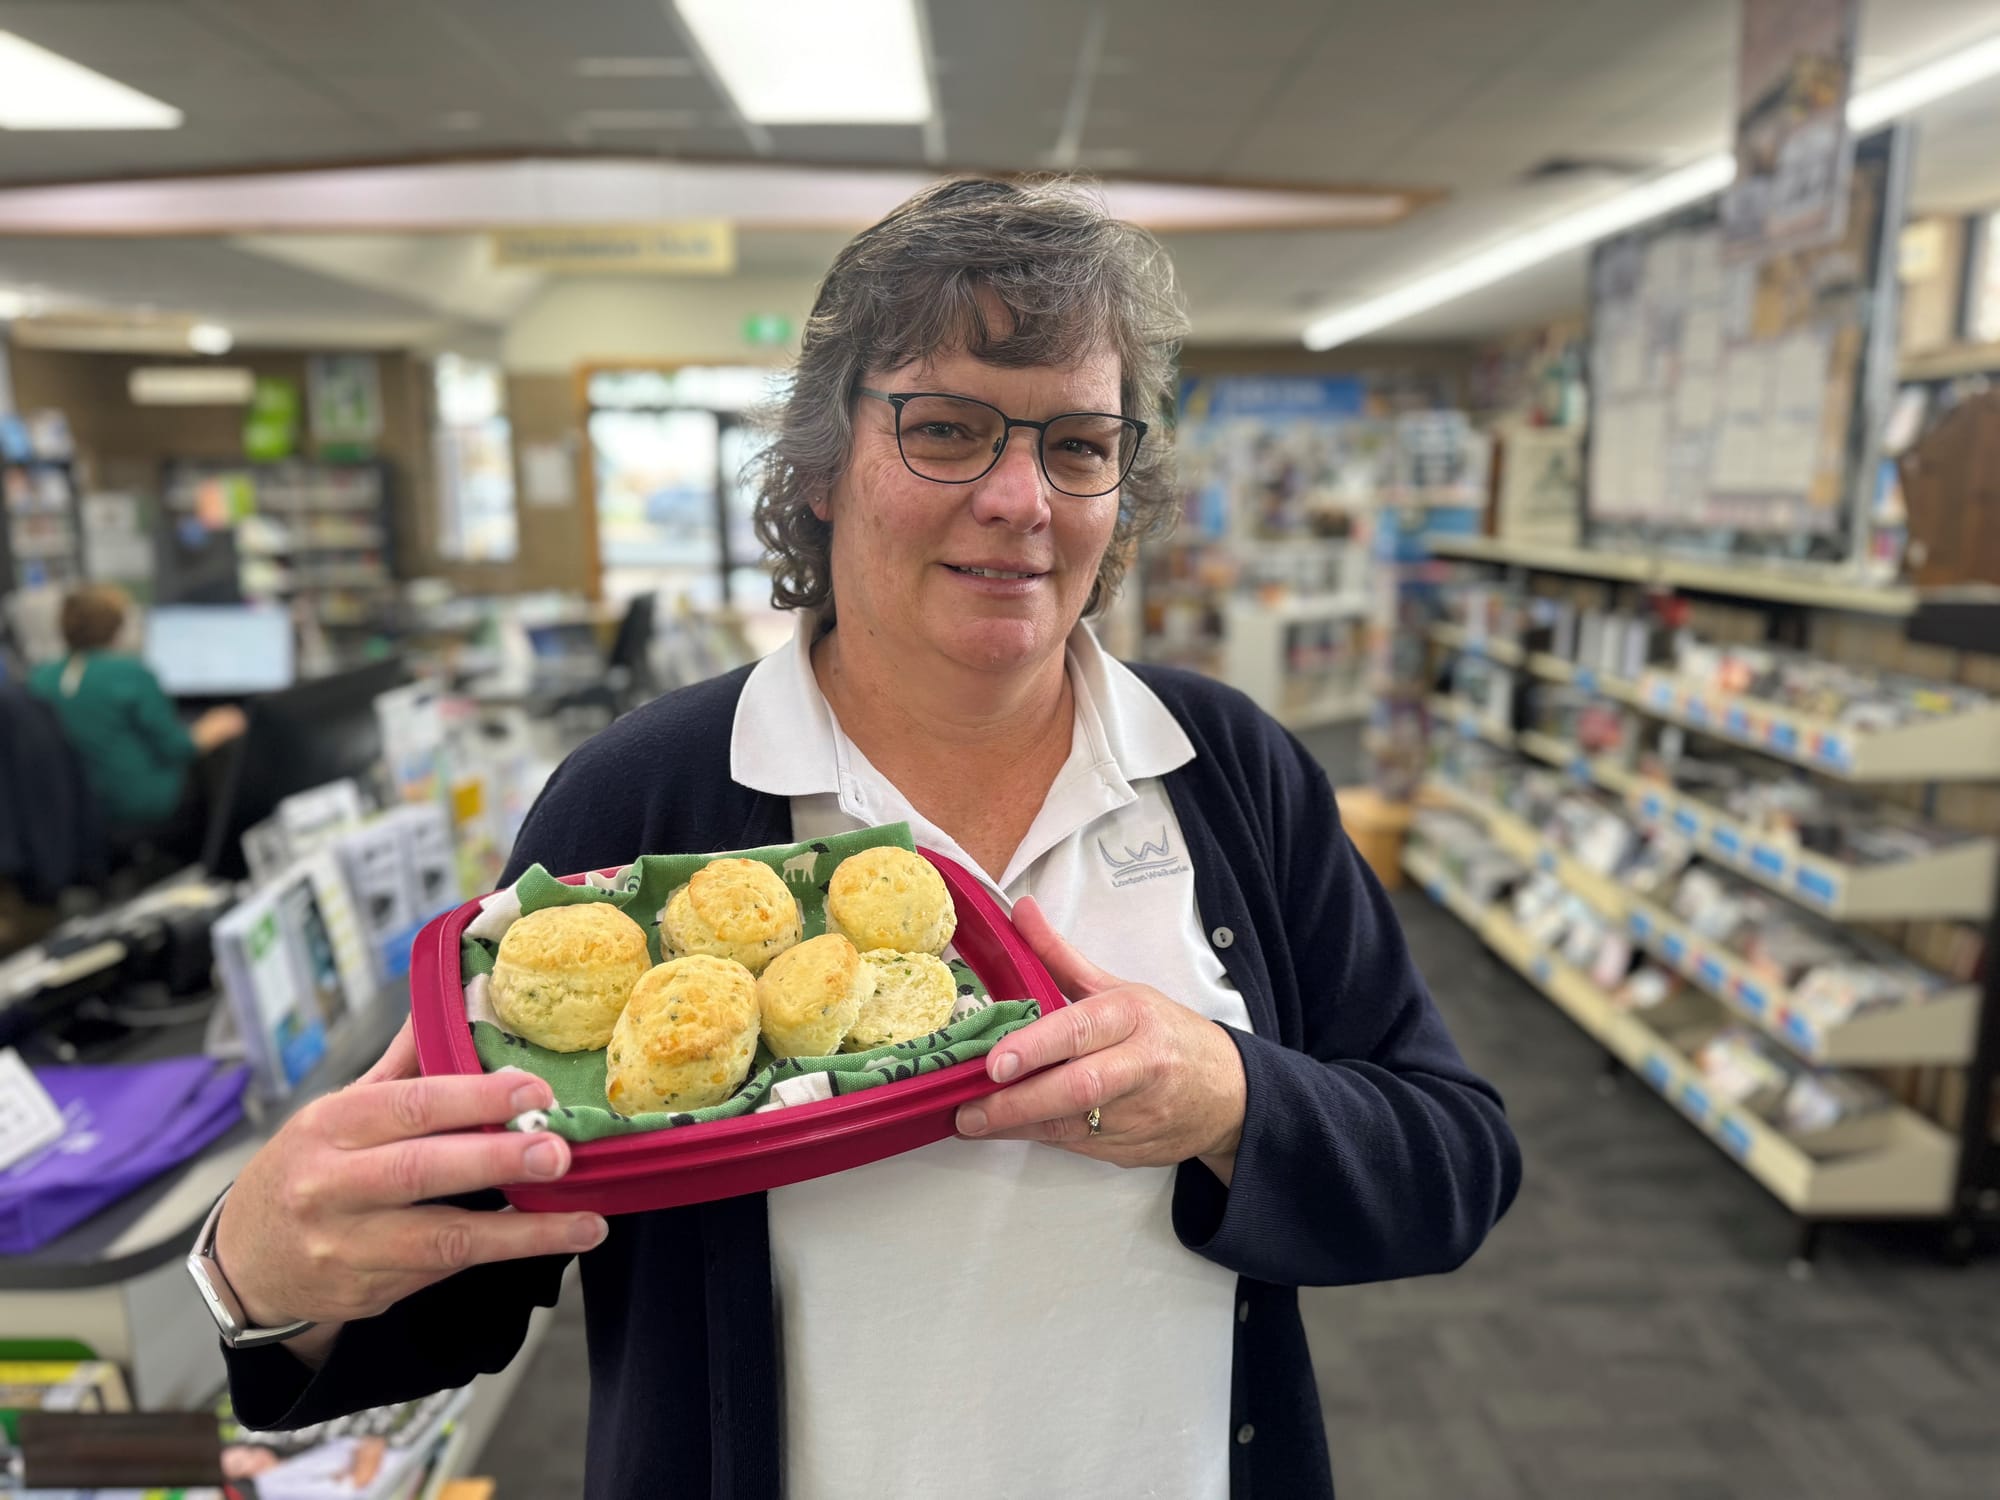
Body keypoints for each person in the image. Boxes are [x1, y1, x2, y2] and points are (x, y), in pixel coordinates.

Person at [204, 178, 1522, 1500]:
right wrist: (264, 1261)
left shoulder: (1230, 771)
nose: (1022, 497)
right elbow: (452, 1275)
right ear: (824, 466)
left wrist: (1235, 1102)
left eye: (1078, 445)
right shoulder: (642, 805)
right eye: (947, 428)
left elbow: (1450, 1164)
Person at [29, 585, 245, 855]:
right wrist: (213, 726)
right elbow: (177, 747)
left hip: (74, 805)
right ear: (118, 626)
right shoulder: (130, 673)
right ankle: (219, 863)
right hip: (137, 802)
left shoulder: (41, 677)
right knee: (223, 761)